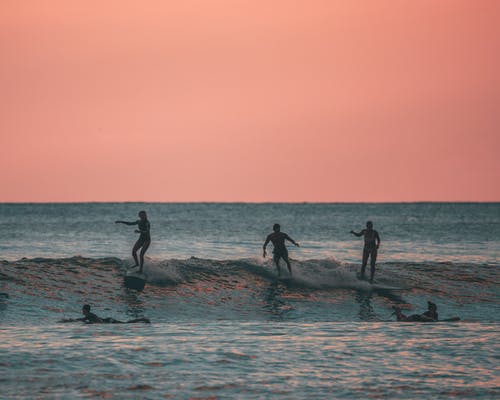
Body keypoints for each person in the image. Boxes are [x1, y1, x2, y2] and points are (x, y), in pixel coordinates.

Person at [60, 304, 150, 324]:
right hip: (108, 320)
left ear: (85, 310)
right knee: (126, 323)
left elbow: (83, 320)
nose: (82, 311)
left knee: (126, 323)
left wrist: (69, 321)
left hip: (109, 321)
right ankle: (142, 319)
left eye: (82, 310)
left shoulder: (89, 315)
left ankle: (143, 319)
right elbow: (83, 320)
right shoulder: (89, 315)